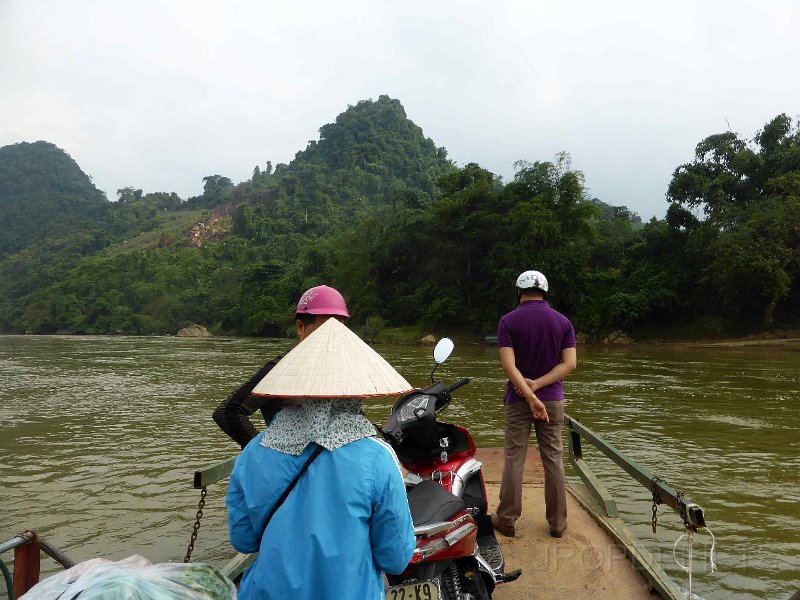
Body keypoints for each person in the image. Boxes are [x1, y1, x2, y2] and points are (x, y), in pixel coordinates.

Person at [226, 318, 416, 600]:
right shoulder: (377, 459)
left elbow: (244, 540)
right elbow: (395, 558)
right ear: (355, 392)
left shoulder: (253, 452)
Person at [491, 270, 577, 539]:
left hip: (518, 400)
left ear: (519, 291)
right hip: (551, 400)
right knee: (553, 458)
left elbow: (509, 366)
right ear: (545, 292)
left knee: (514, 457)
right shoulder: (563, 322)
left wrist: (529, 393)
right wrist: (539, 387)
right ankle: (557, 523)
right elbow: (569, 364)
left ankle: (506, 518)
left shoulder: (508, 321)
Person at [212, 285, 350, 448]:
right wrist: (264, 452)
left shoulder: (342, 367)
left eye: (337, 331)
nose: (330, 339)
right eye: (323, 331)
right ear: (300, 327)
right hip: (291, 466)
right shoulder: (281, 370)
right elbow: (228, 412)